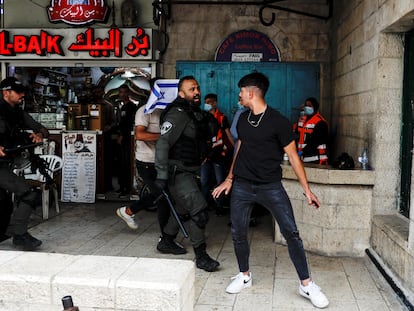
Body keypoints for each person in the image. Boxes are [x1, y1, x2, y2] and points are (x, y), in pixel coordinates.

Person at [212, 72, 329, 308]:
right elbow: (240, 150)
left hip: (270, 186)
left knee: (291, 233)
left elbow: (294, 157)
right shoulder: (243, 119)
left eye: (242, 91)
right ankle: (244, 276)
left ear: (251, 93)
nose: (239, 95)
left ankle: (306, 285)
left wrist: (307, 190)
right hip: (243, 185)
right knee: (238, 231)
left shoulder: (279, 121)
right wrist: (230, 178)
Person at [154, 75, 220, 272]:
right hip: (178, 172)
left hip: (192, 170)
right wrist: (161, 175)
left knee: (182, 209)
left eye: (197, 88)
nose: (197, 92)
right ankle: (201, 256)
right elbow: (163, 143)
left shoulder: (193, 112)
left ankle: (166, 241)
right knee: (198, 212)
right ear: (181, 93)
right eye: (192, 89)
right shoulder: (178, 113)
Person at [116, 79, 185, 255]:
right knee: (162, 197)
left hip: (163, 161)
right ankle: (165, 240)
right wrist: (165, 136)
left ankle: (129, 211)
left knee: (162, 195)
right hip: (146, 162)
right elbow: (140, 135)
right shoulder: (144, 111)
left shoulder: (169, 111)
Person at [0, 77, 49, 251]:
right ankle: (19, 235)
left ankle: (10, 232)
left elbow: (43, 129)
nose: (22, 95)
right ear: (6, 93)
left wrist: (39, 135)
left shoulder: (18, 112)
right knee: (28, 194)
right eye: (18, 92)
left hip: (6, 163)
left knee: (5, 204)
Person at [200, 93, 234, 216]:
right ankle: (203, 206)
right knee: (204, 181)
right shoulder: (202, 117)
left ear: (215, 103)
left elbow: (228, 134)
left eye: (209, 102)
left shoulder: (221, 117)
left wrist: (235, 149)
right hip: (205, 155)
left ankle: (219, 206)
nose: (207, 104)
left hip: (218, 154)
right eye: (206, 102)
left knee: (220, 180)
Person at [116, 84, 138, 196]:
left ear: (128, 93)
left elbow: (128, 124)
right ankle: (121, 186)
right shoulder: (121, 107)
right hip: (121, 138)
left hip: (127, 139)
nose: (122, 94)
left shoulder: (131, 107)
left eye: (124, 92)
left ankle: (127, 188)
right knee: (120, 163)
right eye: (121, 92)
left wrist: (122, 135)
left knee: (126, 164)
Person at [294, 97, 329, 165]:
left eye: (309, 106)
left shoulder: (321, 122)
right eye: (306, 105)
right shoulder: (301, 120)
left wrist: (302, 152)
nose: (307, 107)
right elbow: (295, 136)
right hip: (302, 158)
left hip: (316, 158)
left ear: (315, 107)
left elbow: (316, 141)